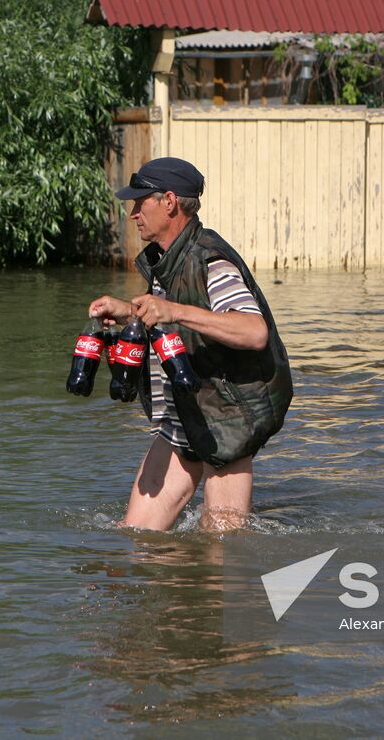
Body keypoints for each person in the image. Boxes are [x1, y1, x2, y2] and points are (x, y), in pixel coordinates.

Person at [88, 157, 293, 532]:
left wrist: (174, 311)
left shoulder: (210, 260)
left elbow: (254, 331)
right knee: (136, 537)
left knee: (221, 547)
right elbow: (170, 310)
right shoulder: (169, 257)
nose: (133, 213)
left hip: (227, 419)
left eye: (140, 202)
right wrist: (128, 311)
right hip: (183, 410)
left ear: (169, 202)